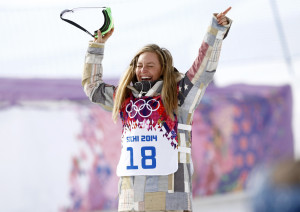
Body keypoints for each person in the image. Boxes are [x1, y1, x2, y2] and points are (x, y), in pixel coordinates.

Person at [82, 7, 232, 212]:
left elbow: (202, 71)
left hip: (170, 198)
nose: (143, 70)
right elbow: (92, 87)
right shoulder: (125, 98)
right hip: (131, 198)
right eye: (139, 65)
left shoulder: (179, 96)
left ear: (163, 70)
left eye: (150, 66)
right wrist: (97, 46)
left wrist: (215, 32)